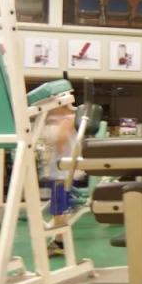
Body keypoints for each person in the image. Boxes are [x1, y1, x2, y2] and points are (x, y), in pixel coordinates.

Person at [43, 104, 78, 257]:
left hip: (62, 172)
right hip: (60, 170)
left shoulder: (69, 120)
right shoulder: (62, 119)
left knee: (59, 208)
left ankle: (60, 242)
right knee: (58, 208)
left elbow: (61, 140)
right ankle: (59, 241)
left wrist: (55, 149)